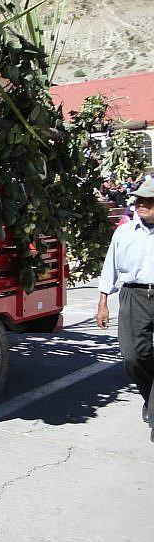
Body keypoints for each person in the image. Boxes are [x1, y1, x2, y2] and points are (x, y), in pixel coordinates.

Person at [96, 177, 154, 438]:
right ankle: (149, 397)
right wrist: (103, 303)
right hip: (134, 296)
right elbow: (109, 268)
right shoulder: (124, 232)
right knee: (133, 357)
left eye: (149, 201)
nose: (141, 205)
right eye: (139, 200)